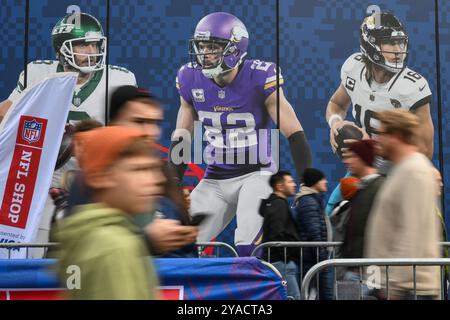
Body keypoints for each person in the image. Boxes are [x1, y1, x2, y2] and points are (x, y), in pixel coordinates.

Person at [170, 12, 312, 256]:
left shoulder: (259, 77)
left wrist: (307, 182)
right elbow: (183, 134)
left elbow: (294, 133)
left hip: (255, 175)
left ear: (234, 49)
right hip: (214, 178)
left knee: (248, 246)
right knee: (180, 245)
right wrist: (172, 182)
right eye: (201, 46)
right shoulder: (189, 78)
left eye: (212, 47)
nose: (204, 53)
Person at [0, 12, 137, 253]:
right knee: (29, 245)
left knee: (93, 250)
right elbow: (6, 113)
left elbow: (129, 137)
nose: (92, 51)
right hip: (42, 174)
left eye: (95, 44)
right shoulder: (38, 74)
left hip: (93, 176)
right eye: (83, 45)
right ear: (61, 49)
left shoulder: (119, 78)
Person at [63, 85, 198, 256]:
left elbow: (185, 250)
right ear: (113, 124)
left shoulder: (163, 172)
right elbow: (80, 248)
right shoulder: (92, 175)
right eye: (139, 122)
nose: (150, 132)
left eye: (154, 123)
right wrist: (148, 241)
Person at [325, 11, 434, 214]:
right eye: (390, 44)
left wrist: (372, 146)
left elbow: (425, 150)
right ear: (371, 45)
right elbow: (336, 104)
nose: (398, 50)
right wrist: (336, 122)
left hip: (400, 171)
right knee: (332, 211)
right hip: (365, 168)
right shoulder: (354, 69)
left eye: (400, 43)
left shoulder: (411, 87)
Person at [52, 126, 164, 299]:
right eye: (138, 169)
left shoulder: (103, 237)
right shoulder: (113, 247)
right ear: (100, 177)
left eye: (153, 169)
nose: (157, 180)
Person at [365, 110, 441, 300]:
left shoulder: (415, 171)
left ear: (396, 136)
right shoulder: (403, 170)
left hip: (409, 290)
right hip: (396, 286)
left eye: (381, 134)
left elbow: (412, 234)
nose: (376, 139)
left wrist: (395, 289)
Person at [259, 171, 301, 300]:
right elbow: (276, 233)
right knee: (293, 297)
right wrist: (286, 258)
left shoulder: (274, 204)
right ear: (279, 186)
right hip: (281, 262)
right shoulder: (279, 204)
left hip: (279, 261)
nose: (294, 184)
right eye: (290, 181)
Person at [292, 168, 333, 300]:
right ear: (315, 182)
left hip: (314, 258)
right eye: (322, 179)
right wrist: (323, 259)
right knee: (322, 295)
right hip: (313, 260)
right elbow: (314, 234)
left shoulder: (312, 201)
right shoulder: (308, 202)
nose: (325, 182)